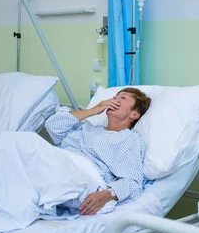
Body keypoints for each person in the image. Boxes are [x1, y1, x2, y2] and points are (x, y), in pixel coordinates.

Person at [45, 87, 151, 216]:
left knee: (25, 145)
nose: (115, 99)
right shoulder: (86, 128)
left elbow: (132, 183)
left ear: (134, 114)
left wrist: (107, 194)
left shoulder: (128, 139)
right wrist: (93, 110)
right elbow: (52, 125)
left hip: (82, 174)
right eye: (115, 97)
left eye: (123, 98)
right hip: (56, 163)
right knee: (21, 142)